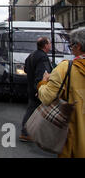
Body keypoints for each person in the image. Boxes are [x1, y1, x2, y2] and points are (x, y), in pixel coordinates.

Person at [37, 27, 85, 158]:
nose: (71, 49)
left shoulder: (65, 68)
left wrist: (43, 82)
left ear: (78, 46)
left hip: (75, 144)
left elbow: (46, 97)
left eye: (71, 46)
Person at [19, 37, 53, 142]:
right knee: (34, 110)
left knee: (32, 110)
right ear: (46, 45)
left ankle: (28, 132)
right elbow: (42, 74)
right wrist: (39, 89)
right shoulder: (43, 57)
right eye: (49, 43)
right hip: (37, 89)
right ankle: (26, 133)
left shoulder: (32, 55)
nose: (50, 45)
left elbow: (25, 69)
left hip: (30, 87)